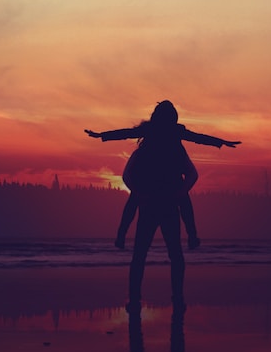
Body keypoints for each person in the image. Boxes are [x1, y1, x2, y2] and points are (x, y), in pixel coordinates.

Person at [85, 100, 240, 309]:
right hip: (159, 199)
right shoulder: (169, 134)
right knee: (170, 251)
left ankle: (141, 296)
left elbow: (127, 133)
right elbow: (196, 138)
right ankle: (174, 294)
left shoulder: (160, 133)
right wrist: (101, 135)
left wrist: (221, 142)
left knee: (145, 252)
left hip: (156, 199)